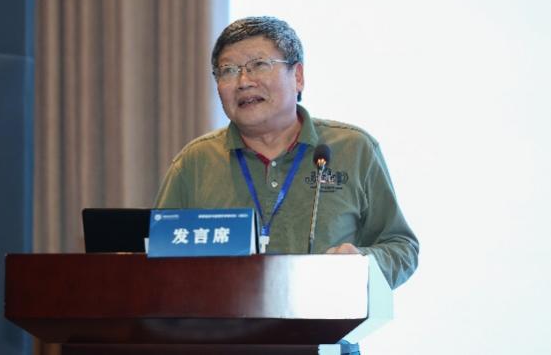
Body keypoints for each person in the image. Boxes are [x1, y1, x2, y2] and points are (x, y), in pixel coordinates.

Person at [155, 15, 418, 289]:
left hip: (325, 316)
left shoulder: (354, 149)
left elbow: (401, 246)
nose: (243, 81)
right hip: (220, 317)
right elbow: (155, 258)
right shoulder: (195, 162)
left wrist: (361, 262)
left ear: (298, 77)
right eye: (228, 70)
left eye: (259, 65)